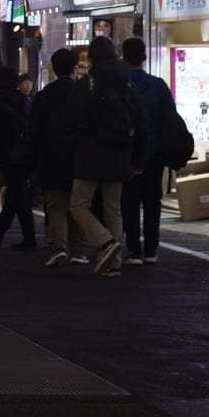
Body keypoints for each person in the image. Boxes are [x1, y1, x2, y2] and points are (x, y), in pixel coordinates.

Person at [63, 36, 147, 278]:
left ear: (91, 57)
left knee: (78, 205)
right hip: (120, 154)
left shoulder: (86, 84)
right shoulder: (127, 84)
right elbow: (141, 123)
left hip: (89, 154)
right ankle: (114, 263)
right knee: (114, 209)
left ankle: (106, 242)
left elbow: (71, 121)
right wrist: (139, 159)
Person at [27, 49, 87, 267]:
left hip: (50, 157)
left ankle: (58, 248)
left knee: (56, 206)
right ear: (74, 69)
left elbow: (34, 129)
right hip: (78, 157)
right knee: (79, 206)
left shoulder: (44, 96)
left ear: (53, 68)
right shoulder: (82, 93)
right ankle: (77, 251)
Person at [120, 37, 177, 265]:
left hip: (127, 153)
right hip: (154, 154)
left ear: (123, 57)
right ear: (144, 58)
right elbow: (170, 119)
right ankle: (151, 249)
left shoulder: (120, 85)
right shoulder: (158, 85)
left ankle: (134, 250)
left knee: (129, 201)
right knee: (153, 201)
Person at [0, 66, 37, 250]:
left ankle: (27, 238)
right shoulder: (25, 100)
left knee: (18, 194)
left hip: (5, 153)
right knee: (17, 193)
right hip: (26, 152)